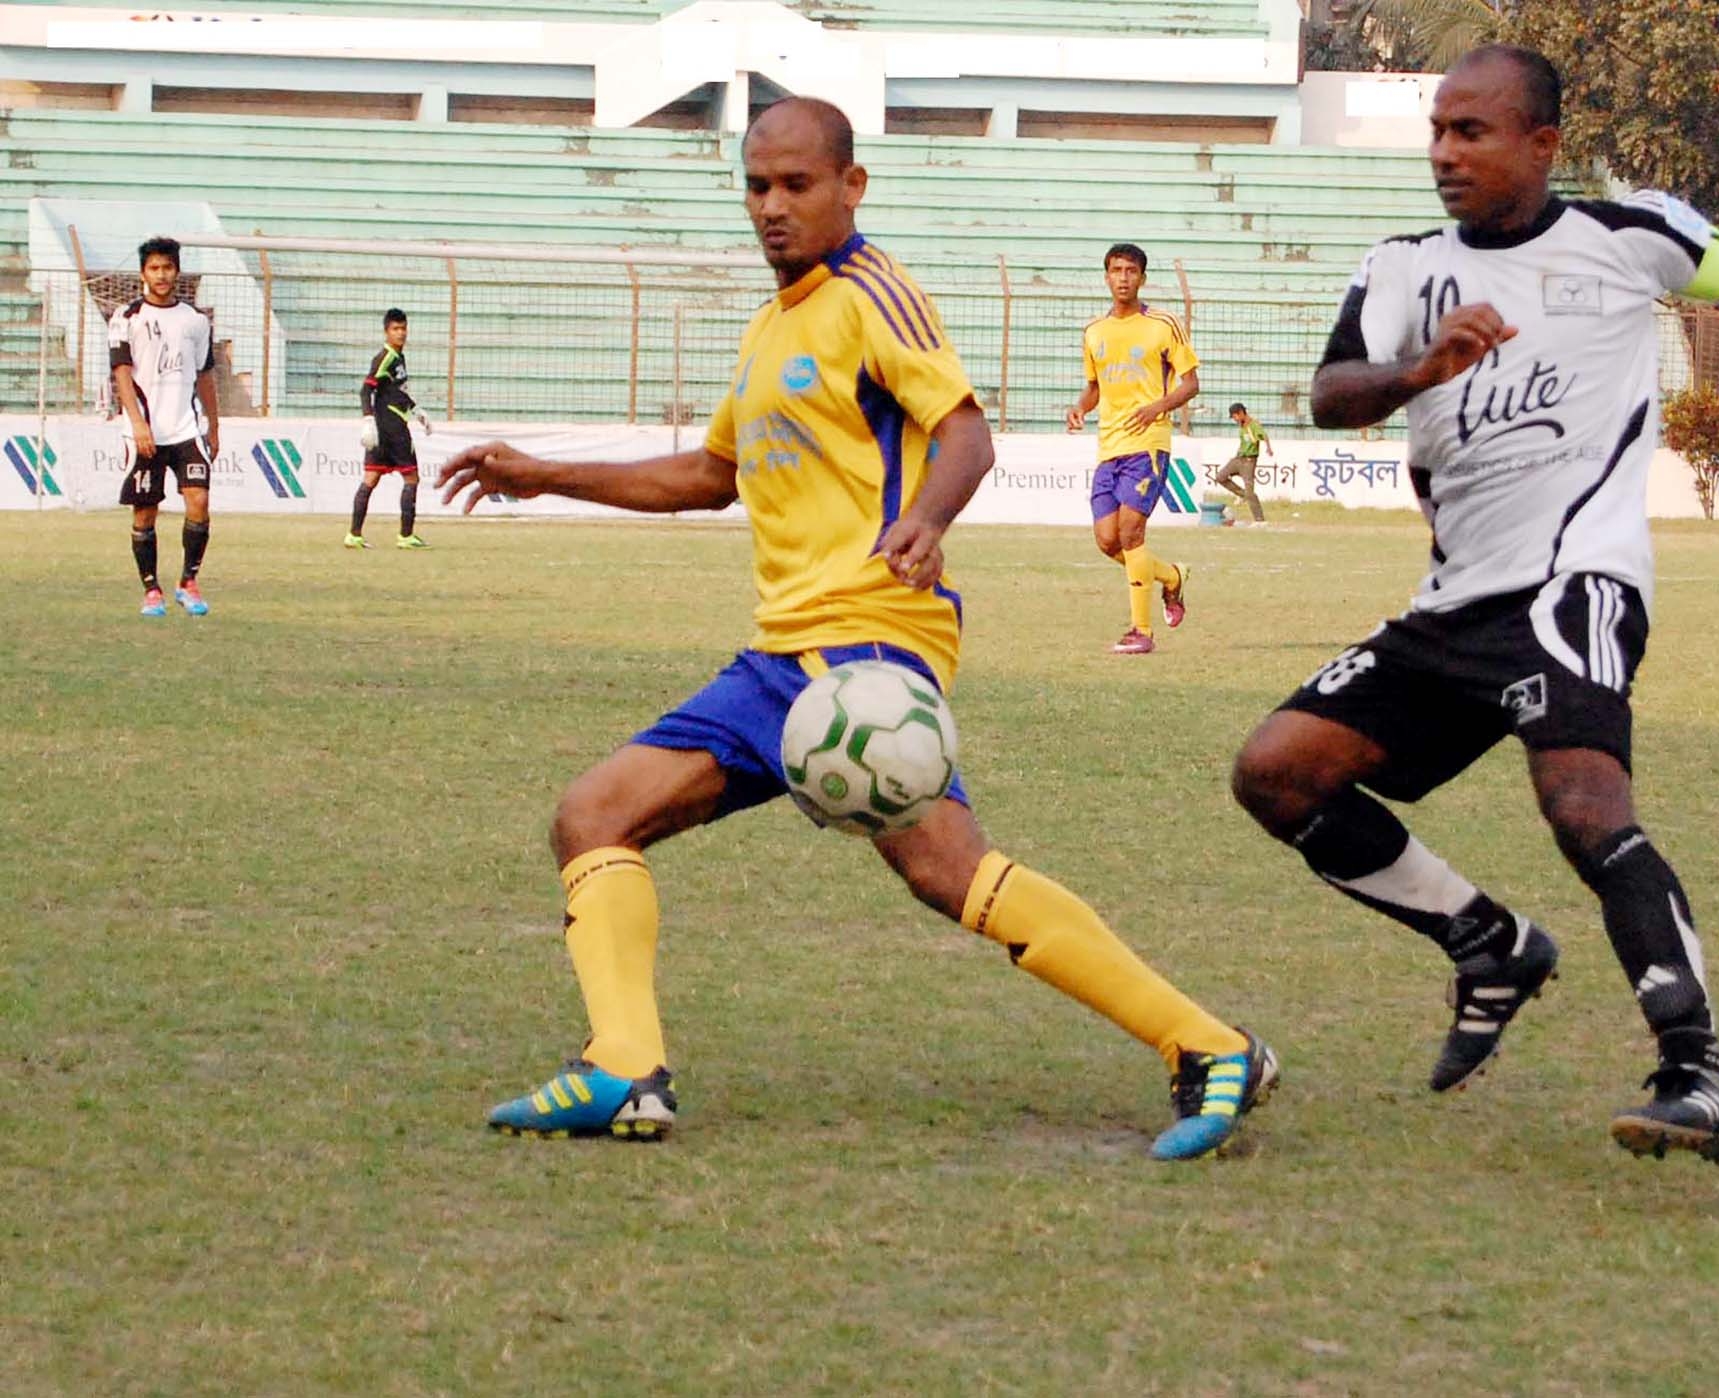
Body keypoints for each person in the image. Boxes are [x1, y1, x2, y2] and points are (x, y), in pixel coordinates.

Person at [438, 98, 1275, 1161]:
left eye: (797, 184)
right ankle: (624, 1069)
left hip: (872, 638)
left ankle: (1205, 1044)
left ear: (851, 186)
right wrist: (543, 472)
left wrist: (926, 518)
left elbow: (965, 433)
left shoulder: (875, 295)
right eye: (757, 186)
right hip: (782, 651)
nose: (774, 206)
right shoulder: (769, 327)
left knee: (946, 867)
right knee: (595, 817)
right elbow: (709, 477)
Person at [1228, 45, 1719, 1164]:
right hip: (1453, 605)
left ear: (1542, 143)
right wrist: (1420, 374)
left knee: (1586, 807)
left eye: (1474, 132)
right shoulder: (1405, 266)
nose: (1447, 153)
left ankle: (1697, 1071)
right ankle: (1488, 942)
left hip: (1577, 579)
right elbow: (1329, 393)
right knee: (1276, 772)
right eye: (1439, 132)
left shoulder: (1627, 238)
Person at [1066, 243, 1198, 655]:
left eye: (1131, 271)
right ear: (1106, 277)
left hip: (1148, 445)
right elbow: (1094, 388)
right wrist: (1079, 408)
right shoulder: (1094, 332)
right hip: (1110, 447)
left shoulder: (1163, 324)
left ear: (1142, 278)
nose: (1123, 278)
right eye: (1116, 270)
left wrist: (1158, 407)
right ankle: (1172, 577)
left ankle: (1141, 631)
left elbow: (1190, 383)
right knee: (1107, 541)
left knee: (1130, 533)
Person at [112, 236, 219, 618]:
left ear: (177, 271)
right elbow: (122, 374)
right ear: (144, 272)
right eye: (154, 268)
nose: (161, 274)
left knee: (200, 501)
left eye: (167, 267)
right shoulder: (127, 317)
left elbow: (206, 375)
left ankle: (187, 582)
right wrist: (138, 424)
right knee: (145, 513)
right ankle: (151, 588)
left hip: (187, 428)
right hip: (144, 431)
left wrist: (215, 427)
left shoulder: (195, 321)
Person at [347, 308, 432, 549]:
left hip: (387, 424)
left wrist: (416, 410)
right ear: (386, 332)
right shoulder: (385, 357)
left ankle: (354, 535)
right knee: (412, 477)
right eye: (395, 329)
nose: (401, 333)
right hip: (392, 427)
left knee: (371, 478)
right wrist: (367, 420)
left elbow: (394, 392)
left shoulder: (398, 357)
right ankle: (405, 536)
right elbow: (366, 389)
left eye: (403, 328)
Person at [1213, 402, 1272, 525]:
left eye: (1235, 416)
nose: (1234, 419)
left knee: (1250, 491)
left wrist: (1268, 448)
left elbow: (1264, 435)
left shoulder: (1254, 425)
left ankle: (1259, 520)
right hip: (1238, 459)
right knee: (1220, 477)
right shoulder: (1242, 425)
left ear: (1241, 413)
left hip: (1248, 462)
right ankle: (1242, 495)